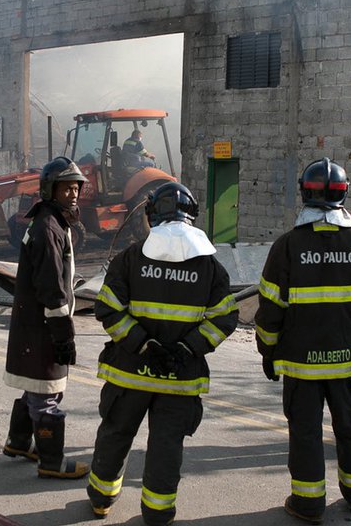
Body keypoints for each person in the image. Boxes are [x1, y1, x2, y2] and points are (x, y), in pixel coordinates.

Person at [87, 182, 238, 525]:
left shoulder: (130, 258)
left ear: (152, 215)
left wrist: (143, 344)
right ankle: (157, 511)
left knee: (116, 434)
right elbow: (225, 316)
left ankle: (101, 499)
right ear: (191, 217)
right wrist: (188, 348)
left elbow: (108, 308)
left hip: (129, 373)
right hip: (179, 378)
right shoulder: (209, 267)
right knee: (166, 445)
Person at [255, 158, 351, 525]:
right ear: (344, 194)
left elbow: (269, 310)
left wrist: (268, 350)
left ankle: (308, 503)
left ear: (304, 193)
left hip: (301, 364)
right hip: (348, 363)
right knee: (350, 426)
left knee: (306, 433)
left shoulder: (287, 246)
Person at [1, 156, 90, 479]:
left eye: (76, 188)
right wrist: (62, 332)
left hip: (33, 321)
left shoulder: (50, 222)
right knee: (46, 392)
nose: (73, 194)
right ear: (50, 190)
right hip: (42, 323)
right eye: (66, 188)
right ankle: (51, 461)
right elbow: (52, 287)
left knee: (36, 384)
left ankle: (19, 441)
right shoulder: (48, 227)